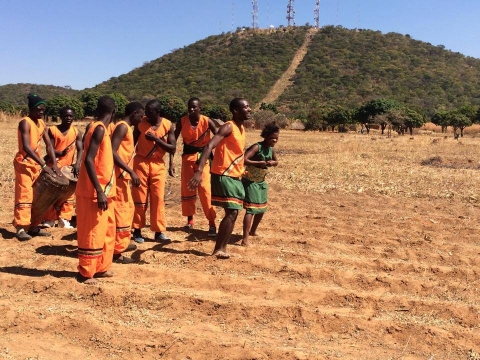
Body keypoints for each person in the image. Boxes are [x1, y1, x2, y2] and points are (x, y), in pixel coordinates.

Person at [188, 98, 250, 259]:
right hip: (224, 173)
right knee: (232, 211)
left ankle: (222, 248)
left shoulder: (241, 127)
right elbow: (208, 146)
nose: (249, 109)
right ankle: (218, 249)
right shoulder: (228, 126)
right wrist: (199, 171)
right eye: (246, 107)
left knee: (234, 212)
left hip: (234, 175)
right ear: (236, 111)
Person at [75, 95, 116, 284]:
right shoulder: (98, 129)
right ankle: (85, 272)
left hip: (105, 190)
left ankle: (101, 267)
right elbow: (89, 160)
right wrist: (99, 190)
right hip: (94, 191)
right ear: (113, 111)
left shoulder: (99, 128)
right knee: (92, 232)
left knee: (106, 230)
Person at [13, 94, 59, 241]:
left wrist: (55, 165)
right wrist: (44, 164)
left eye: (43, 110)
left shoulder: (41, 123)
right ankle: (21, 228)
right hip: (25, 164)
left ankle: (33, 226)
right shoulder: (25, 122)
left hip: (36, 164)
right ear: (31, 109)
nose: (41, 112)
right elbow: (27, 147)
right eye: (39, 109)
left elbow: (49, 145)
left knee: (37, 196)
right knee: (24, 195)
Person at [169, 97, 217, 236]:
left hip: (203, 160)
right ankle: (190, 221)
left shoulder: (207, 121)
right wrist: (171, 161)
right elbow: (173, 141)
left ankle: (212, 223)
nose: (191, 109)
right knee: (188, 190)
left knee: (205, 191)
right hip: (187, 159)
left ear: (199, 108)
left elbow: (219, 137)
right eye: (189, 107)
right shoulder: (182, 121)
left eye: (194, 107)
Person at [131, 99, 176, 243]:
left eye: (149, 112)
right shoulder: (141, 123)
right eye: (145, 111)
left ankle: (158, 231)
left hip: (158, 165)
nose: (146, 115)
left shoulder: (168, 125)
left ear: (157, 112)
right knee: (139, 198)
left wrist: (157, 140)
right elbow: (132, 141)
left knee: (158, 198)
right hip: (140, 162)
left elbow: (172, 148)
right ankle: (137, 230)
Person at [110, 102, 144, 263]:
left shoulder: (126, 128)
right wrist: (130, 171)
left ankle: (121, 244)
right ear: (135, 113)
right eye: (141, 115)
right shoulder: (123, 127)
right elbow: (112, 151)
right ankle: (117, 252)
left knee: (127, 208)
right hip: (119, 176)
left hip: (122, 177)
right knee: (122, 211)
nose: (142, 118)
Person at [41, 107, 83, 229]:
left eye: (70, 116)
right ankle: (49, 219)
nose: (68, 118)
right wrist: (58, 153)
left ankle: (64, 218)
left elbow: (81, 149)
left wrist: (77, 163)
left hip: (68, 168)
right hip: (54, 165)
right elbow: (50, 148)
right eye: (66, 116)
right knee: (51, 194)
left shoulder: (76, 132)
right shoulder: (53, 130)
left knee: (69, 194)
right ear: (61, 116)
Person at [241, 122, 279, 246]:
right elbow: (244, 160)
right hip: (250, 181)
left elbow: (276, 161)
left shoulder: (271, 149)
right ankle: (245, 238)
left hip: (261, 181)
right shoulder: (257, 147)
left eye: (276, 138)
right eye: (272, 138)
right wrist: (258, 163)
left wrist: (271, 163)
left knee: (261, 208)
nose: (274, 140)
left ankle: (253, 231)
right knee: (251, 209)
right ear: (265, 136)